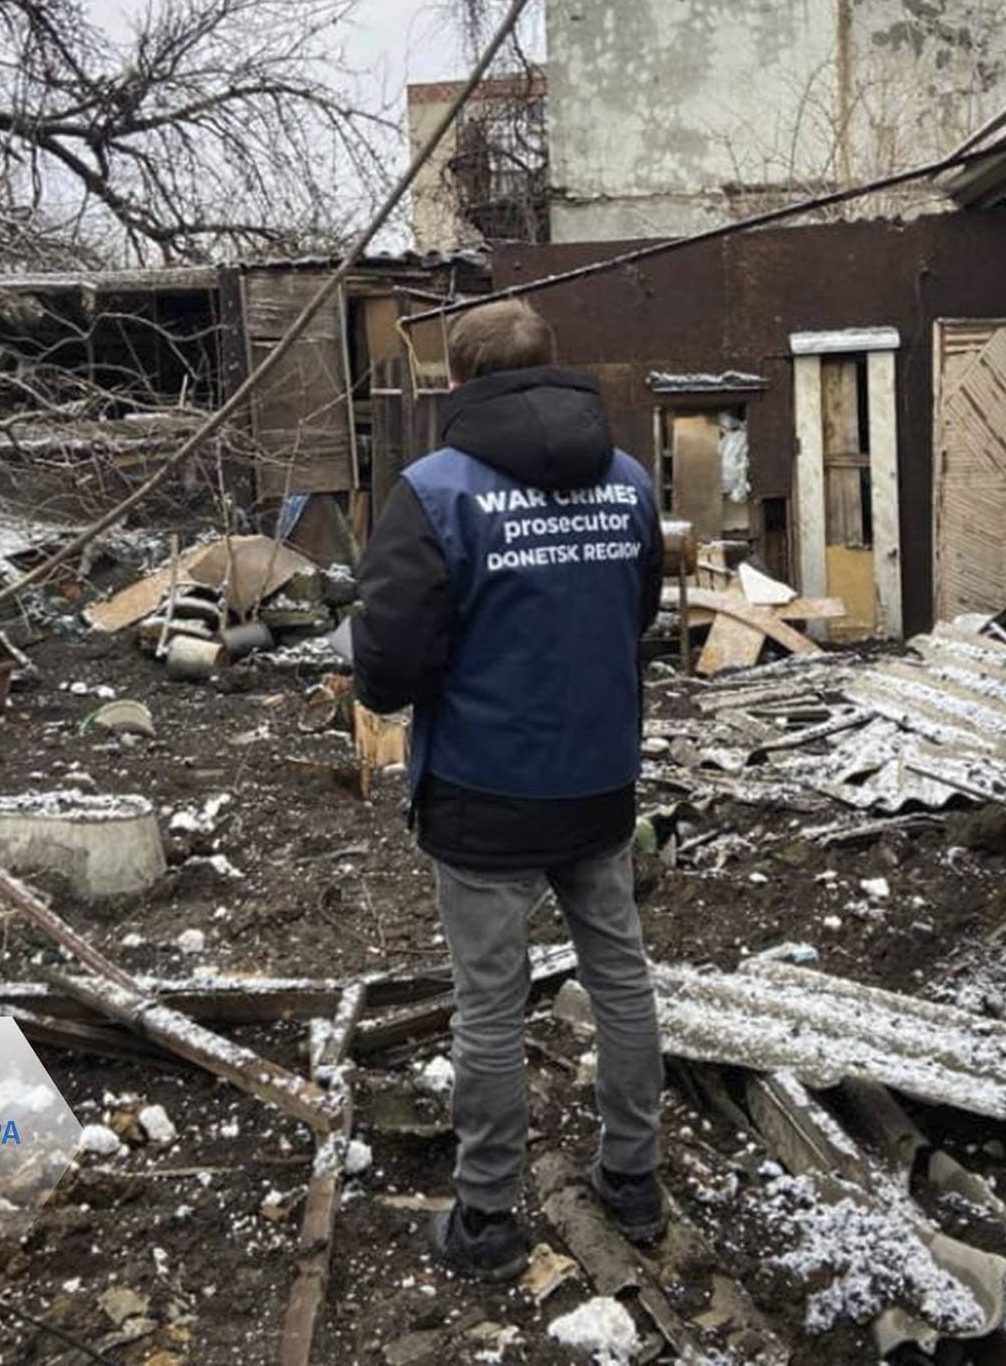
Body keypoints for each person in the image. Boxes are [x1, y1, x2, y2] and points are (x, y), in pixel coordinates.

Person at [352, 300, 666, 1279]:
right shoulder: (629, 484)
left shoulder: (433, 493)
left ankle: (488, 1217)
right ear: (552, 366)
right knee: (620, 977)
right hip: (600, 783)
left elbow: (388, 666)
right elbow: (637, 610)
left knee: (490, 1006)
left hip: (484, 792)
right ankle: (635, 1182)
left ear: (458, 383)